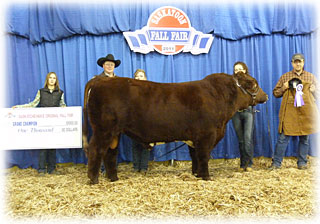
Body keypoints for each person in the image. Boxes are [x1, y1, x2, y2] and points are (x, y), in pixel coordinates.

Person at [269, 53, 320, 170]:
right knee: (283, 138)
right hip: (290, 111)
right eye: (295, 62)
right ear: (292, 63)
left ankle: (302, 163)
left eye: (300, 61)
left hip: (305, 111)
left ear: (303, 63)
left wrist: (313, 90)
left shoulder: (310, 77)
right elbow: (275, 93)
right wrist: (284, 87)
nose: (298, 64)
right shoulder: (285, 77)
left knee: (305, 138)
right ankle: (276, 164)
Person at [13, 72, 67, 176]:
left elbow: (62, 105)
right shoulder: (41, 92)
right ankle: (41, 169)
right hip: (43, 124)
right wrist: (19, 107)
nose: (52, 80)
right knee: (43, 147)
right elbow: (33, 104)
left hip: (54, 124)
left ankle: (52, 169)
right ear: (47, 80)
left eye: (54, 78)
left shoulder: (60, 92)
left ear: (56, 80)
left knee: (53, 146)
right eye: (50, 78)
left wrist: (65, 109)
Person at [231, 62, 255, 172]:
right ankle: (242, 163)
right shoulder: (231, 83)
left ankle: (249, 163)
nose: (238, 71)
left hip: (248, 112)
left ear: (245, 70)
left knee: (247, 138)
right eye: (236, 70)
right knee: (241, 140)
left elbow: (255, 96)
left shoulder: (250, 81)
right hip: (236, 113)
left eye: (240, 69)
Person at [131, 69, 150, 174]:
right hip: (134, 121)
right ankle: (135, 166)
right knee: (135, 144)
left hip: (147, 120)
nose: (139, 78)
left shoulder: (150, 90)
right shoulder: (131, 91)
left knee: (146, 144)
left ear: (145, 78)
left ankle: (144, 167)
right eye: (137, 76)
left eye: (141, 76)